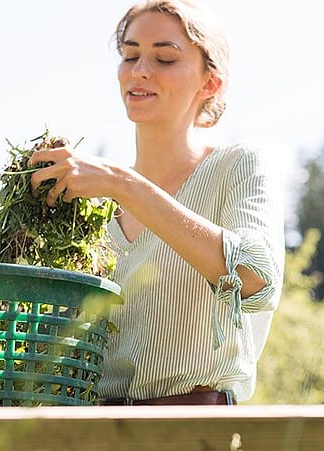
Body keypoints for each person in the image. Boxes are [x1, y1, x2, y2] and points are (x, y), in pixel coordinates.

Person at [29, 0, 284, 405]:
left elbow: (257, 278)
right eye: (130, 55)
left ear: (210, 83)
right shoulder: (94, 209)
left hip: (194, 431)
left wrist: (126, 185)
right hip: (93, 434)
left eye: (164, 58)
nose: (140, 70)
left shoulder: (236, 166)